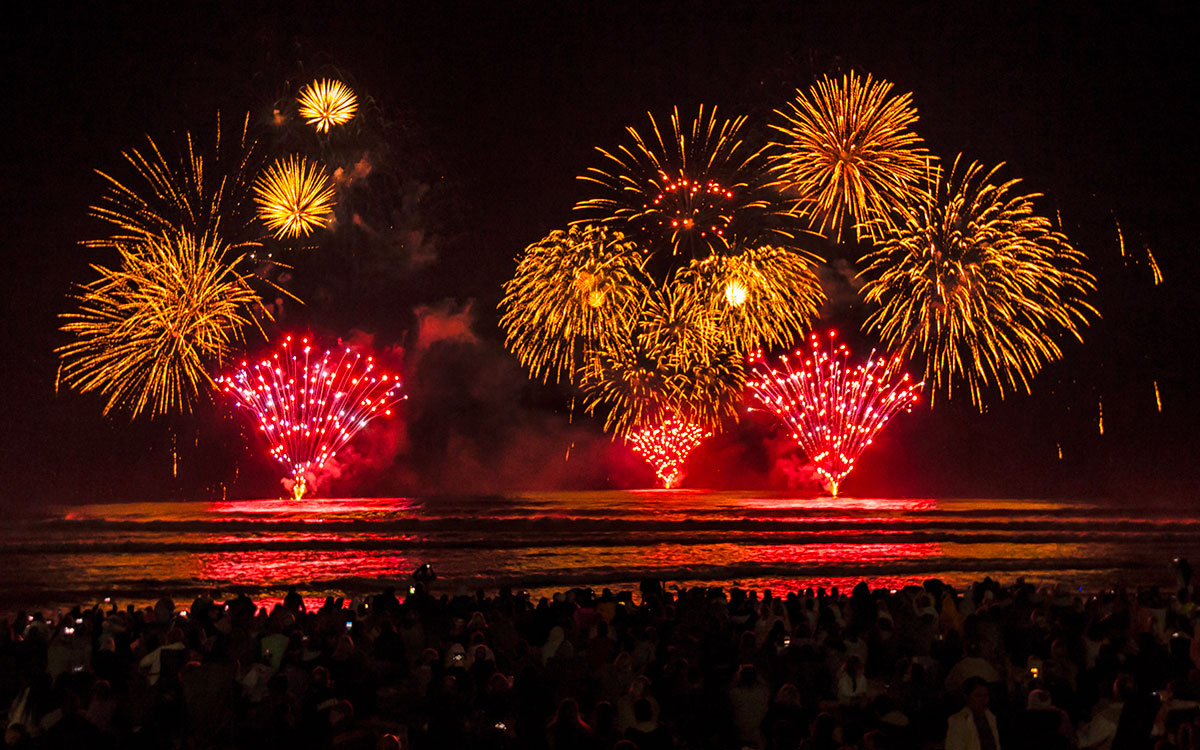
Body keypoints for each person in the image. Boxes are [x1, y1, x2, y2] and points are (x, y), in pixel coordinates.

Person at [946, 677, 1001, 750]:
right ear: (967, 697)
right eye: (978, 696)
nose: (983, 700)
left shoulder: (991, 718)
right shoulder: (958, 722)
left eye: (985, 695)